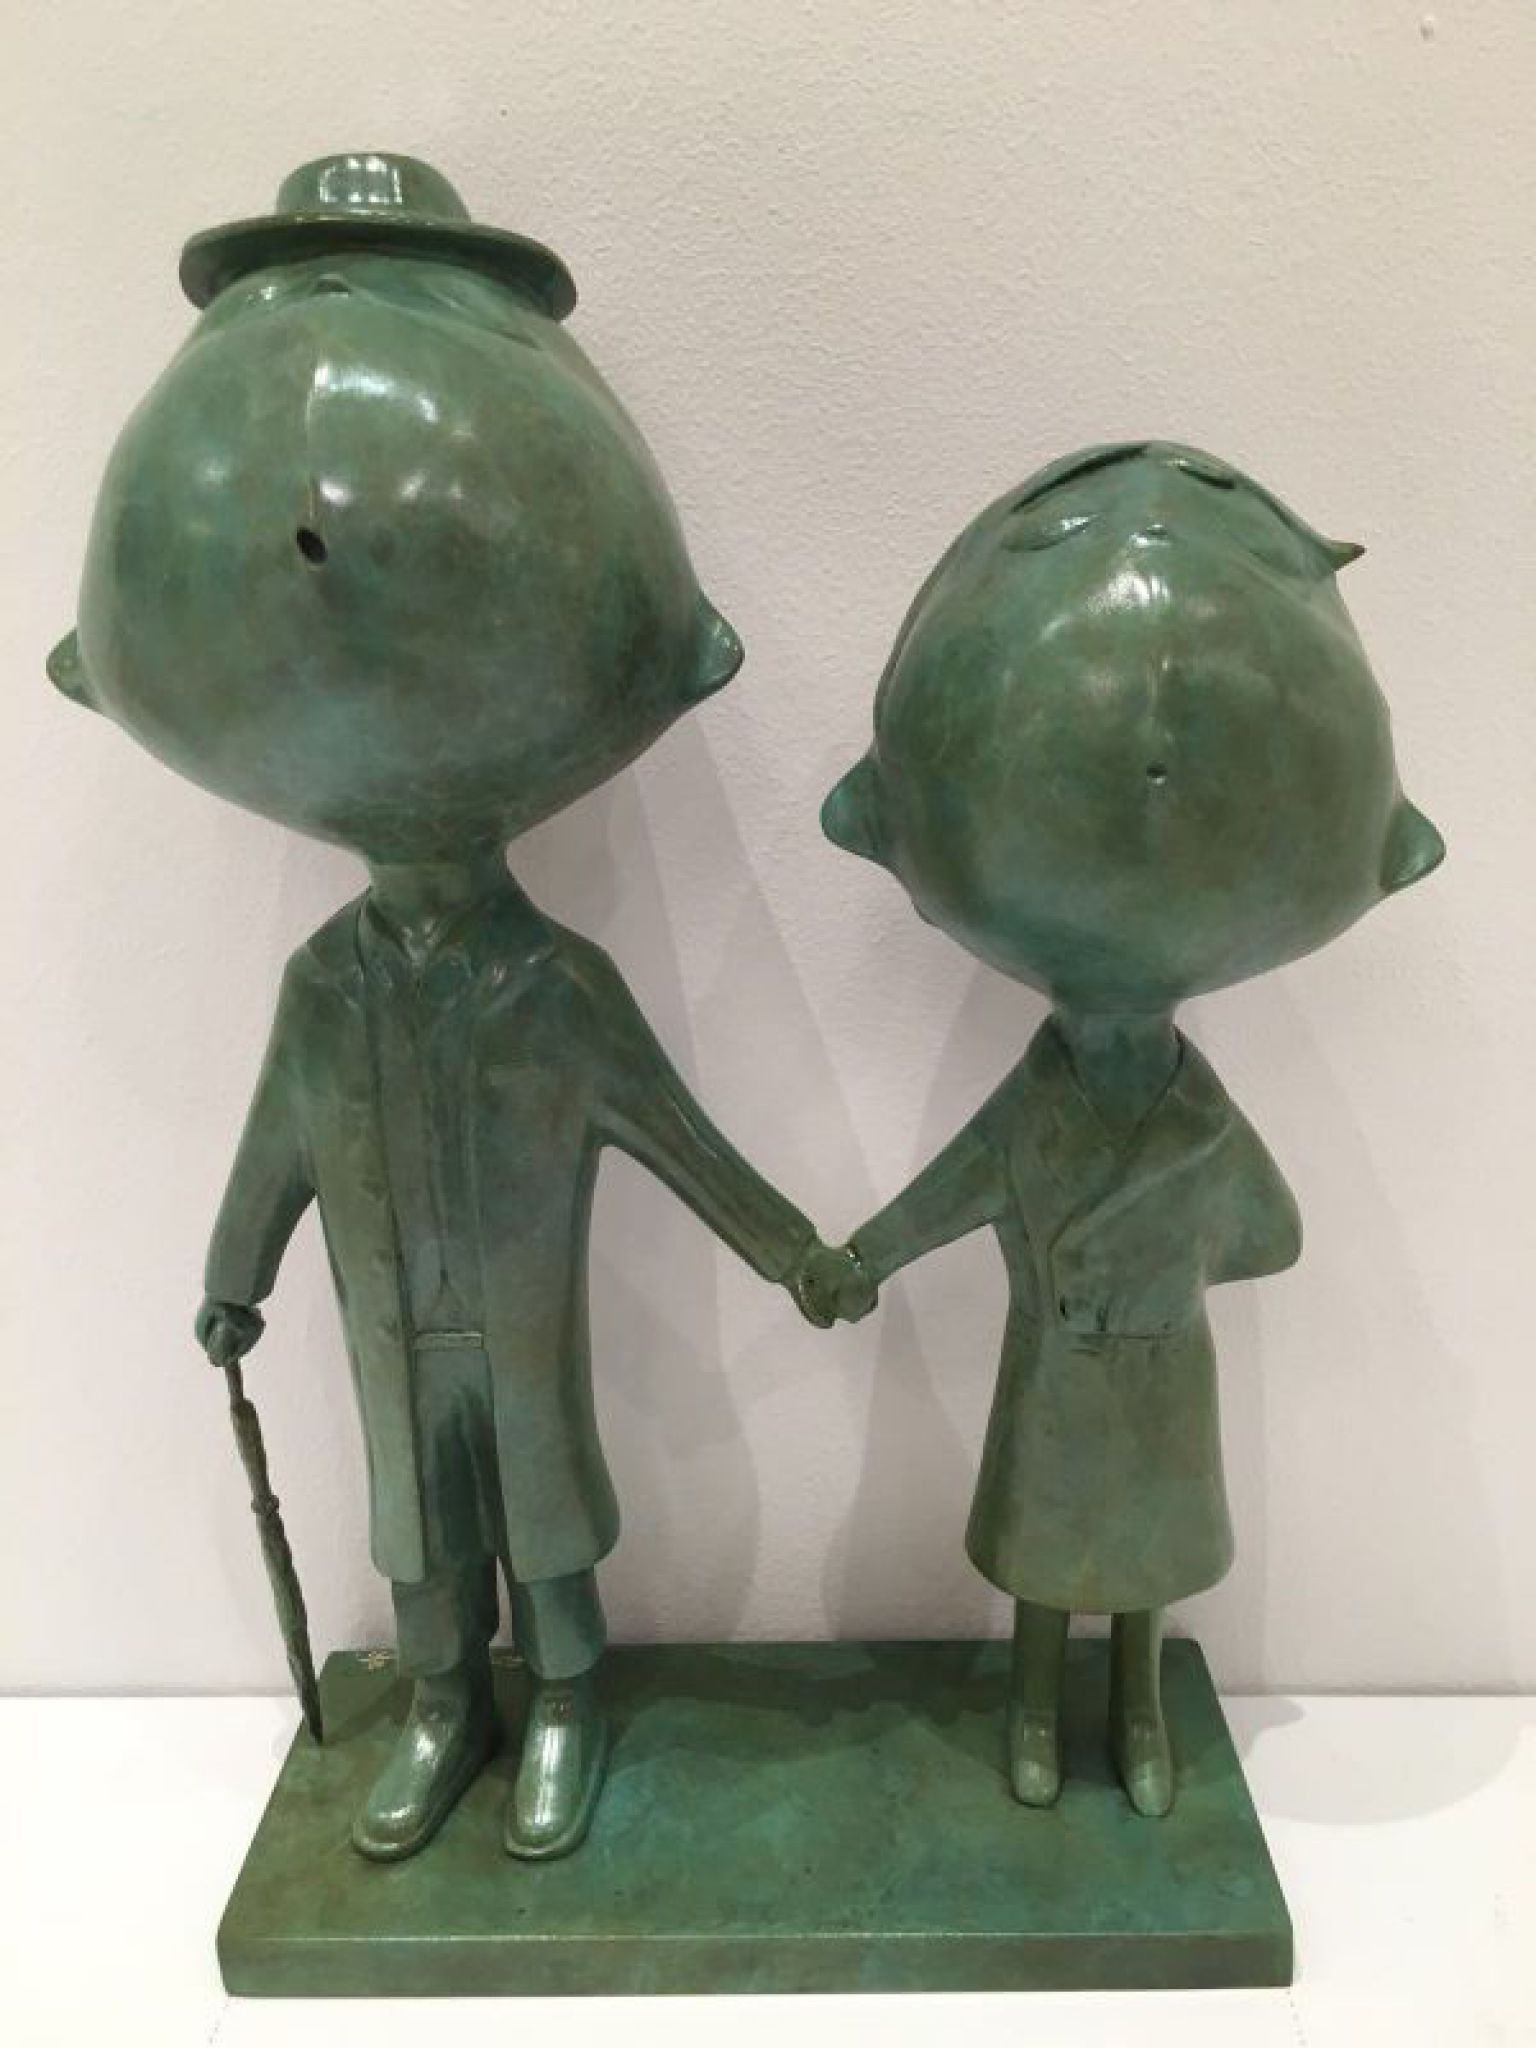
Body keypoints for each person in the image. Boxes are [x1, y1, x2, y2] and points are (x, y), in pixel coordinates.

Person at [52, 152, 835, 1862]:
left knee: (544, 1512)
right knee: (416, 1524)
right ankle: (438, 1703)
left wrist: (794, 1253)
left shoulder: (555, 989)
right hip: (391, 1330)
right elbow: (278, 1148)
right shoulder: (325, 990)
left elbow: (680, 1139)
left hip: (513, 1332)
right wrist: (235, 1275)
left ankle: (561, 1701)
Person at [800, 442, 1443, 1816]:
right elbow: (955, 1192)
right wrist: (863, 1257)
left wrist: (1157, 1257)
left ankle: (1139, 1710)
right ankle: (1036, 1707)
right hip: (1066, 1359)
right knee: (1049, 1563)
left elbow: (1270, 1232)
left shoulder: (1198, 1119)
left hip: (1151, 1365)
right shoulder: (1043, 1107)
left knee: (1144, 1566)